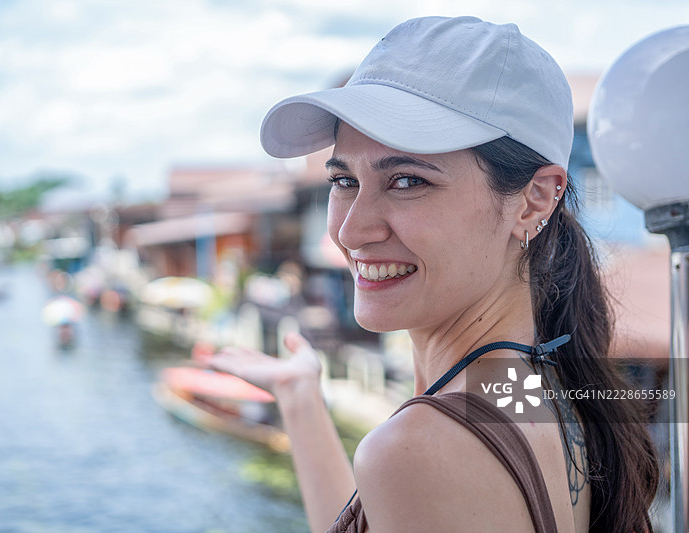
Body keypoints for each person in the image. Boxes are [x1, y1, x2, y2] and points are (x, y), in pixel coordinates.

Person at [209, 16, 658, 533]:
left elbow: (417, 478)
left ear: (534, 200)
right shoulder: (538, 391)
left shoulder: (424, 446)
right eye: (344, 179)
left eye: (406, 180)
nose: (353, 231)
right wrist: (301, 399)